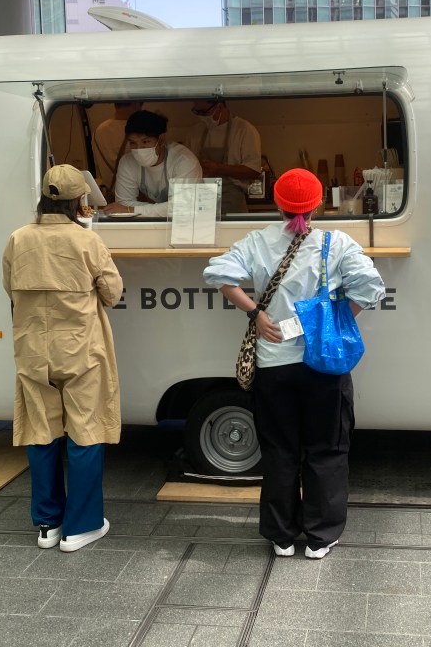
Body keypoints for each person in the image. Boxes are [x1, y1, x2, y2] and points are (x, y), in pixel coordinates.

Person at [203, 168, 385, 559]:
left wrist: (256, 314)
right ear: (318, 205)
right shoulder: (337, 243)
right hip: (325, 364)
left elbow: (218, 273)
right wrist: (336, 322)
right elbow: (371, 287)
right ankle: (320, 536)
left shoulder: (258, 241)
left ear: (278, 203)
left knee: (279, 450)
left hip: (274, 365)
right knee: (327, 449)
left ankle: (281, 536)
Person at [2, 164, 124, 552]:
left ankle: (48, 524)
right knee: (86, 431)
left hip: (32, 349)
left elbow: (9, 288)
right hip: (80, 349)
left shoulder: (18, 238)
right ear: (79, 200)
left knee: (41, 431)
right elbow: (112, 294)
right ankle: (80, 526)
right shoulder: (87, 241)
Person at [102, 110, 202, 217]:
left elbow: (183, 207)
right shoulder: (127, 162)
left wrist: (131, 209)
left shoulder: (184, 161)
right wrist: (166, 209)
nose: (139, 149)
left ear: (161, 139)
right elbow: (123, 203)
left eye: (145, 142)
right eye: (133, 143)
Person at [185, 98, 262, 214]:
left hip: (232, 201)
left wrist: (219, 168)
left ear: (219, 107)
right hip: (201, 199)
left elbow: (253, 171)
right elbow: (186, 170)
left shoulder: (244, 130)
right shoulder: (195, 132)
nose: (201, 116)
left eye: (203, 112)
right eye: (197, 112)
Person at [92, 101, 143, 196]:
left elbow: (97, 164)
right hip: (136, 195)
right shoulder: (140, 130)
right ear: (136, 104)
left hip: (111, 194)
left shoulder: (98, 130)